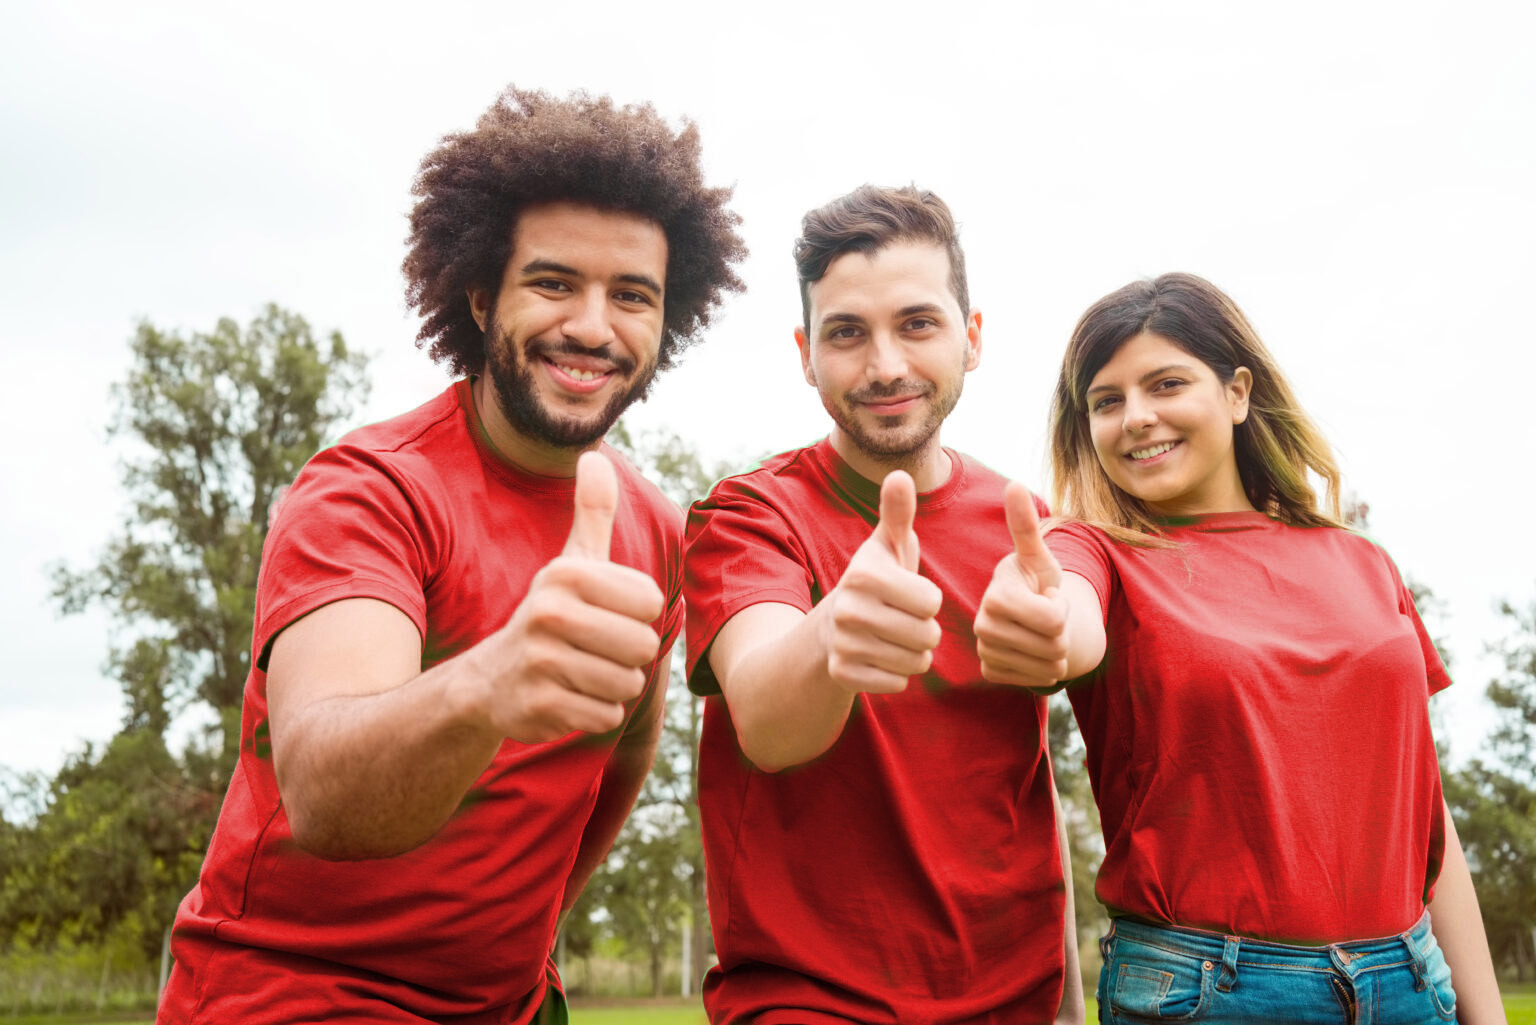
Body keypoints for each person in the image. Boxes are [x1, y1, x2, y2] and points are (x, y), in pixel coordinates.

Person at [157, 86, 746, 1024]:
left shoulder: (650, 526)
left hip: (511, 1003)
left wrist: (530, 932)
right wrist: (488, 685)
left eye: (632, 295)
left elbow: (624, 749)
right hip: (290, 996)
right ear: (481, 296)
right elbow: (324, 792)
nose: (593, 325)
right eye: (554, 283)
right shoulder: (366, 490)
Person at [974, 272, 1505, 1024]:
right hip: (1207, 991)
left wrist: (1484, 1014)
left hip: (1413, 980)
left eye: (1165, 383)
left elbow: (1426, 814)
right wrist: (1042, 620)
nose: (1136, 417)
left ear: (1238, 392)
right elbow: (1066, 607)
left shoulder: (1363, 562)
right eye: (1106, 400)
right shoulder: (1096, 550)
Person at [682, 184, 1082, 1025]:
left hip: (1020, 1002)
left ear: (971, 338)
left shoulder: (1029, 530)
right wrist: (834, 632)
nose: (887, 364)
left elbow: (1031, 788)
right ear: (806, 353)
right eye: (847, 333)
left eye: (918, 324)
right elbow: (767, 718)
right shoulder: (747, 515)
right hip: (809, 1001)